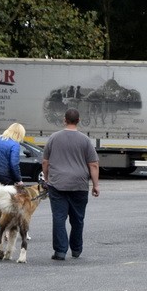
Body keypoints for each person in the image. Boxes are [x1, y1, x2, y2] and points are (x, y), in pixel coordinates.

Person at [42, 108, 100, 260]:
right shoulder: (85, 140)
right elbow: (93, 164)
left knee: (59, 218)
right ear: (79, 120)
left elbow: (45, 161)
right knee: (78, 219)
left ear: (64, 120)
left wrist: (47, 179)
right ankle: (76, 249)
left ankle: (60, 251)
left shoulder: (54, 138)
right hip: (79, 185)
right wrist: (95, 185)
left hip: (57, 184)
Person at [0, 123, 26, 237]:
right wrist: (18, 180)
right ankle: (4, 231)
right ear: (19, 134)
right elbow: (14, 164)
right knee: (7, 204)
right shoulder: (15, 145)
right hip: (6, 177)